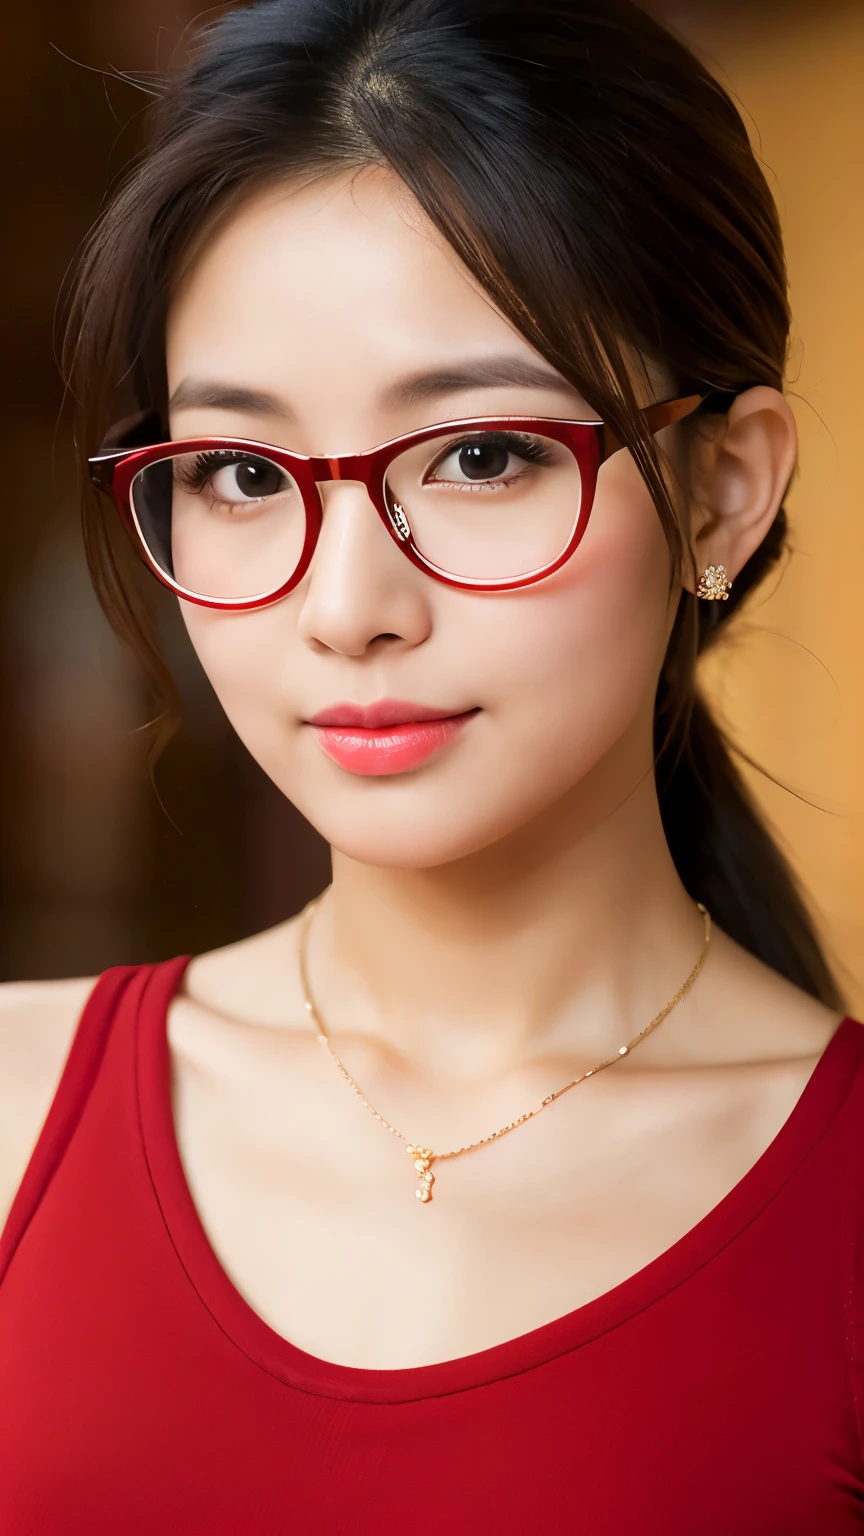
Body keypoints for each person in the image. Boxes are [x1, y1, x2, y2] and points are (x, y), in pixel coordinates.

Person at [0, 0, 860, 1528]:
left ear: (724, 492)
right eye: (243, 473)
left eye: (479, 456)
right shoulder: (13, 1106)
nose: (348, 611)